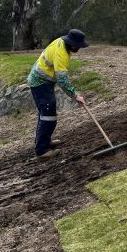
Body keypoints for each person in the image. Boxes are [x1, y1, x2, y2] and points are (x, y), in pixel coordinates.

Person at [27, 29, 88, 159]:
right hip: (40, 82)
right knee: (48, 115)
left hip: (43, 80)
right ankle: (42, 150)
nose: (79, 48)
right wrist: (75, 96)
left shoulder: (61, 42)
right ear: (73, 44)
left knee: (46, 114)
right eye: (78, 46)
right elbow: (62, 79)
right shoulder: (62, 54)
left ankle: (44, 140)